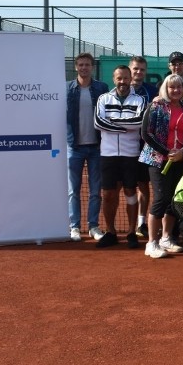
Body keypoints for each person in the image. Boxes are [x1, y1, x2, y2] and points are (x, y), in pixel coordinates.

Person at [139, 74, 183, 259]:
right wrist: (166, 151)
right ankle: (151, 243)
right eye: (172, 87)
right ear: (166, 89)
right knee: (161, 198)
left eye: (179, 87)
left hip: (179, 160)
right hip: (157, 159)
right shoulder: (156, 106)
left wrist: (182, 153)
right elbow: (146, 133)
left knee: (174, 199)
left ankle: (166, 238)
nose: (176, 90)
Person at [93, 65, 146, 248]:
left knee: (130, 192)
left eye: (125, 78)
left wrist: (112, 123)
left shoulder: (139, 100)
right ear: (113, 79)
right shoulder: (103, 98)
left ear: (130, 79)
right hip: (108, 155)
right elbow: (98, 122)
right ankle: (111, 232)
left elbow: (139, 122)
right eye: (119, 78)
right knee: (108, 194)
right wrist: (125, 126)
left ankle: (132, 232)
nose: (122, 82)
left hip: (131, 154)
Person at [67, 52, 108, 242]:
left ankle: (93, 226)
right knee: (73, 190)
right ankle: (74, 227)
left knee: (95, 190)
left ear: (92, 67)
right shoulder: (66, 89)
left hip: (96, 147)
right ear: (76, 67)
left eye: (87, 65)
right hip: (74, 146)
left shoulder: (102, 88)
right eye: (81, 65)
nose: (84, 68)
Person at [129, 56, 157, 239]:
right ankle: (126, 227)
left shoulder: (152, 91)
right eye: (136, 69)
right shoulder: (120, 90)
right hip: (126, 147)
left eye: (142, 70)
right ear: (130, 70)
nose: (139, 72)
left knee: (145, 186)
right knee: (128, 186)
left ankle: (142, 223)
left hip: (147, 148)